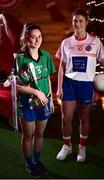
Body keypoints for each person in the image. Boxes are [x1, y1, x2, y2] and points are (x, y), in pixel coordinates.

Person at [55, 8, 104, 162]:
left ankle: (82, 147)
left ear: (87, 23)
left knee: (84, 118)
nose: (78, 24)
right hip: (69, 84)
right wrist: (59, 86)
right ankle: (67, 146)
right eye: (75, 20)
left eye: (81, 21)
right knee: (66, 118)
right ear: (72, 22)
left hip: (86, 85)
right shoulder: (66, 43)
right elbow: (62, 66)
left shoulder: (95, 42)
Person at [15, 23, 56, 178]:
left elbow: (48, 79)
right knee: (28, 136)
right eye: (33, 37)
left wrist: (51, 100)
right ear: (27, 39)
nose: (37, 40)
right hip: (27, 104)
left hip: (44, 102)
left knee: (39, 134)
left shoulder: (45, 56)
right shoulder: (20, 58)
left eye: (39, 37)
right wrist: (36, 92)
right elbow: (18, 86)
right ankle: (29, 162)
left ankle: (37, 161)